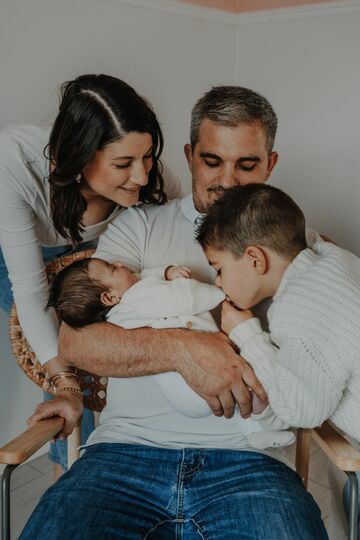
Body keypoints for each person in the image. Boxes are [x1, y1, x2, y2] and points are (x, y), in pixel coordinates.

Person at [21, 86, 327, 539]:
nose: (229, 181)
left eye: (247, 164)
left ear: (271, 164)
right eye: (212, 161)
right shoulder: (138, 225)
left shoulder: (298, 246)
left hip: (250, 466)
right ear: (188, 155)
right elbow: (77, 342)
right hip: (121, 458)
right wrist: (185, 350)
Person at [0, 73, 174, 476]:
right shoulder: (13, 159)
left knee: (111, 337)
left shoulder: (147, 178)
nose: (143, 176)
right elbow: (31, 292)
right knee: (67, 352)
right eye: (123, 164)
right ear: (79, 158)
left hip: (95, 252)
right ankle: (72, 472)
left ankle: (121, 458)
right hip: (16, 250)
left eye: (147, 156)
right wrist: (64, 383)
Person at [47, 256, 293, 449]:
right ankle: (273, 421)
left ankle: (257, 434)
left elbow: (145, 278)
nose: (120, 264)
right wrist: (221, 294)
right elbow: (183, 297)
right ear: (109, 296)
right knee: (249, 385)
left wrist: (165, 272)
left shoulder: (120, 310)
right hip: (197, 381)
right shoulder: (138, 296)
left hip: (182, 394)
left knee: (239, 399)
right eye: (113, 268)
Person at [197, 182, 360, 443]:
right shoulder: (336, 260)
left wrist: (247, 335)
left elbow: (300, 410)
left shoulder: (300, 307)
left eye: (219, 269)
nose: (218, 282)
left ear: (255, 260)